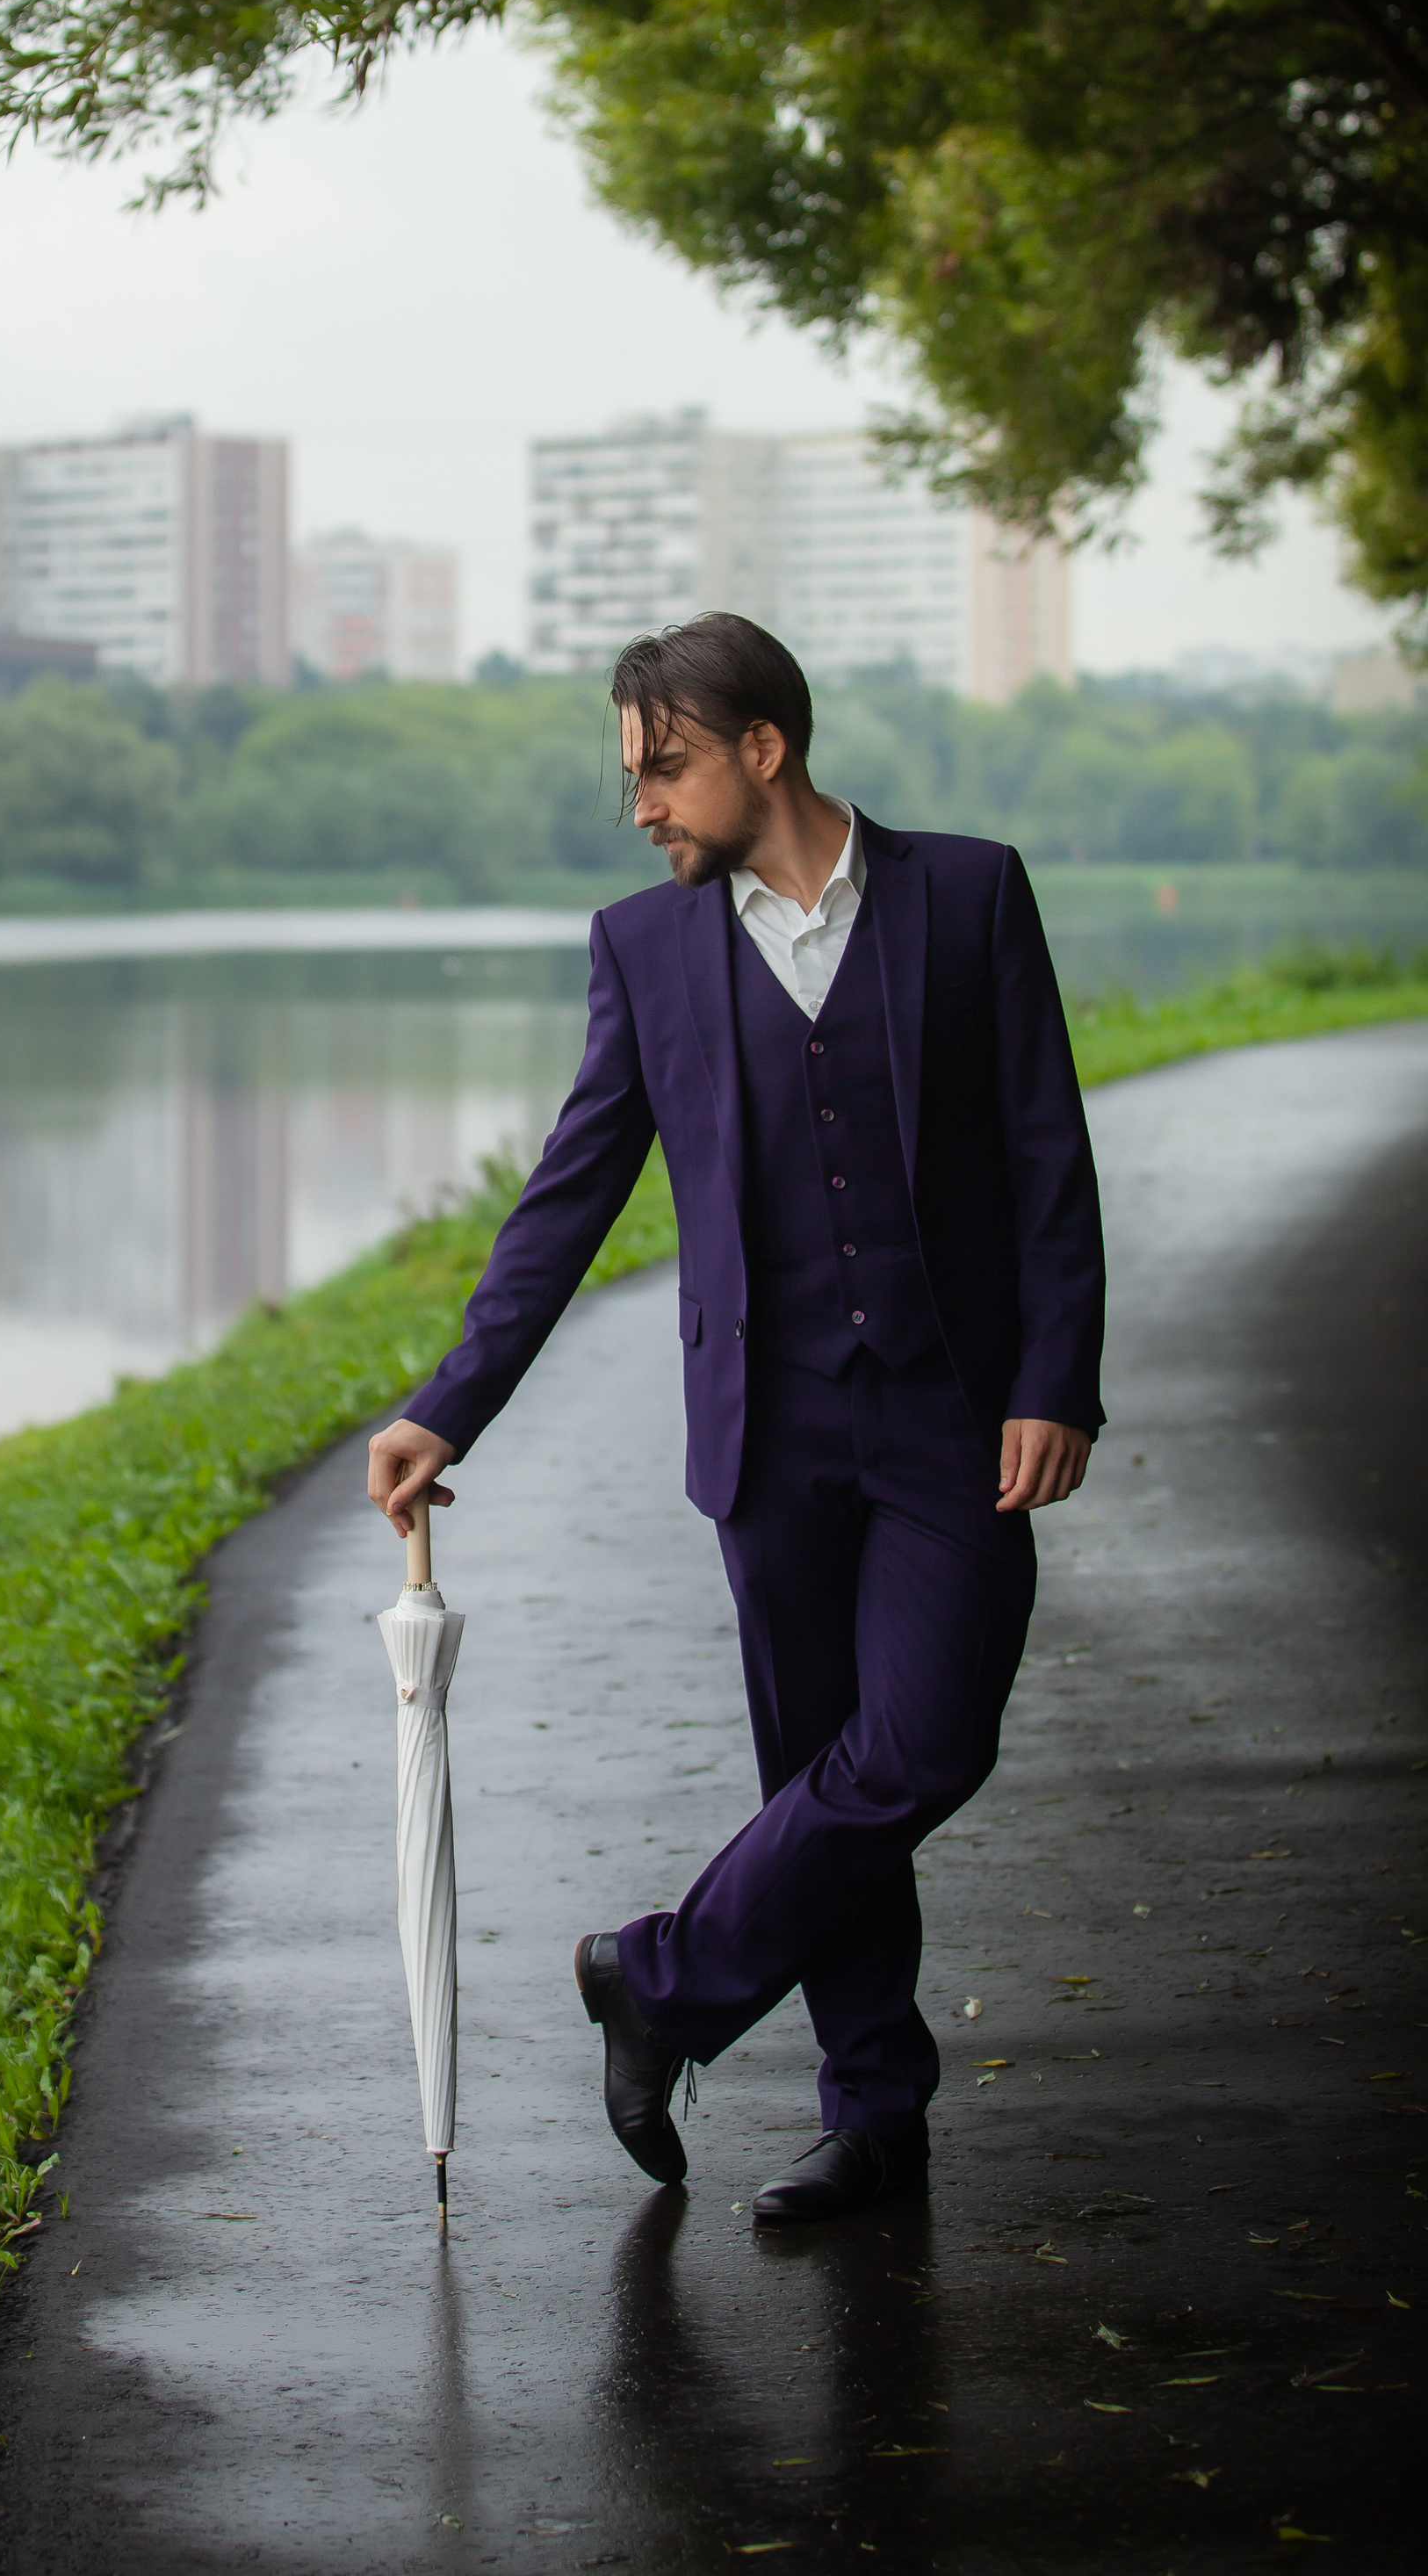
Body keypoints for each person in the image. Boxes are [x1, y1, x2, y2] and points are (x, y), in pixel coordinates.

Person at [369, 613, 1104, 2225]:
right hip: (768, 1437)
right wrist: (452, 1409)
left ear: (761, 749)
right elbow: (569, 1198)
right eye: (630, 774)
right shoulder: (646, 948)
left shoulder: (968, 893)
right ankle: (874, 2115)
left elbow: (1048, 1155)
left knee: (921, 1744)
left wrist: (1057, 1379)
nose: (640, 803)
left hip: (955, 1418)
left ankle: (662, 1977)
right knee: (816, 1776)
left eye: (663, 765)